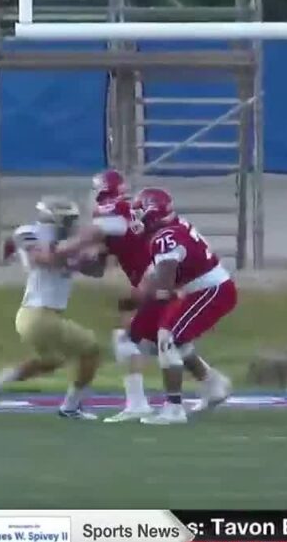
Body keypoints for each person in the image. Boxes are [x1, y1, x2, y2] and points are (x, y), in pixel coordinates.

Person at [52, 171, 231, 422]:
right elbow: (99, 264)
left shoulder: (112, 212)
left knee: (140, 338)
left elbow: (88, 239)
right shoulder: (131, 215)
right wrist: (73, 265)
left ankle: (149, 404)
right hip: (167, 280)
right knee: (164, 340)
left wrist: (54, 251)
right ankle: (211, 382)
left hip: (159, 281)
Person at [0, 197, 102, 420]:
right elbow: (43, 259)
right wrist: (80, 245)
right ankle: (71, 407)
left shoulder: (67, 241)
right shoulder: (29, 232)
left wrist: (97, 253)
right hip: (38, 313)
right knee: (92, 350)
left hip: (38, 316)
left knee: (51, 361)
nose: (72, 224)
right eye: (68, 220)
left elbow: (96, 271)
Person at [128, 187, 238, 425]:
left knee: (167, 339)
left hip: (210, 290)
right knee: (172, 340)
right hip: (204, 288)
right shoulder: (172, 228)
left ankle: (173, 408)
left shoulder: (164, 237)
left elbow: (166, 277)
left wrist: (151, 296)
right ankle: (214, 384)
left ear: (151, 213)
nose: (135, 219)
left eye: (138, 213)